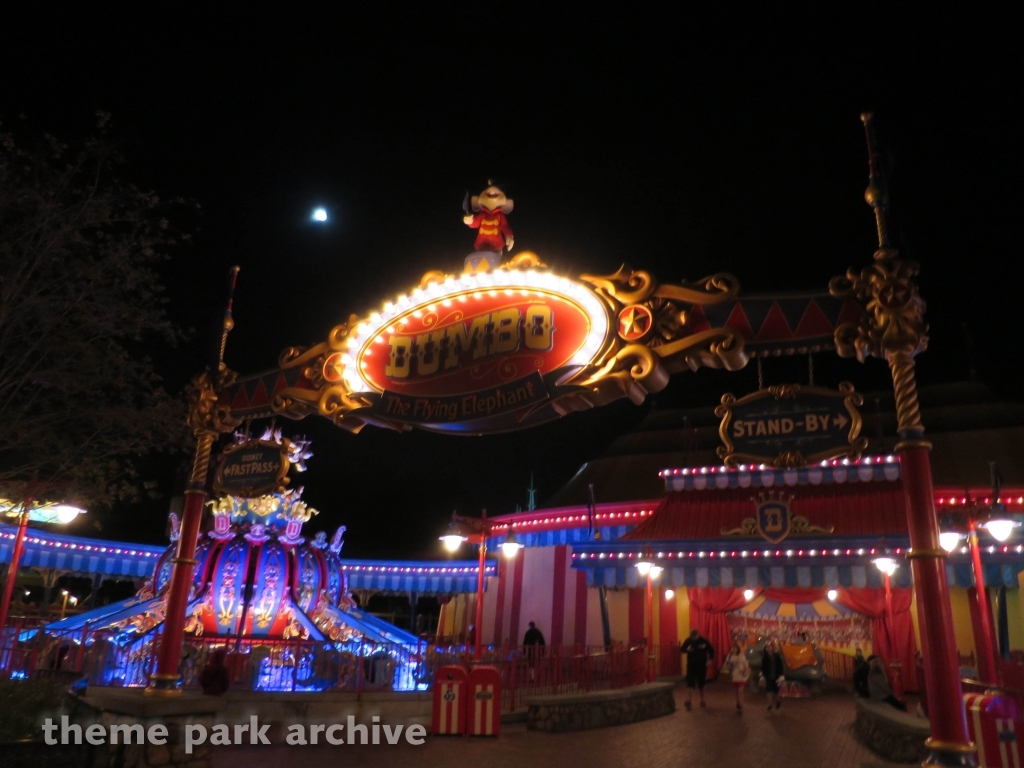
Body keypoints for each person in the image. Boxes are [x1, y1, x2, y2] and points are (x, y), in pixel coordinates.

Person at [680, 629, 715, 710]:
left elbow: (712, 651)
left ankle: (703, 700)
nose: (693, 640)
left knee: (701, 684)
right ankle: (688, 700)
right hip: (691, 665)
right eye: (692, 638)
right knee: (690, 683)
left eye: (694, 638)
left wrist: (710, 660)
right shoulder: (688, 640)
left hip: (702, 666)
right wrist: (687, 650)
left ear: (697, 635)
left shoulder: (704, 641)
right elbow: (682, 649)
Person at [725, 642, 751, 713]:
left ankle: (740, 704)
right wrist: (730, 665)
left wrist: (745, 670)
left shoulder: (742, 656)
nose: (734, 649)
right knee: (736, 691)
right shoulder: (730, 656)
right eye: (733, 648)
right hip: (734, 675)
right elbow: (726, 665)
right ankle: (738, 703)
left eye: (735, 648)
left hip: (741, 675)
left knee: (740, 691)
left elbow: (746, 664)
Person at [762, 639, 785, 712]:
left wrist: (781, 675)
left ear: (772, 647)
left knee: (776, 691)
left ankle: (778, 701)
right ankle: (770, 705)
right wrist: (763, 675)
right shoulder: (765, 657)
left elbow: (780, 665)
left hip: (776, 675)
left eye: (769, 647)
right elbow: (763, 667)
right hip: (768, 676)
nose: (768, 648)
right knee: (769, 691)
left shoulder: (776, 656)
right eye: (767, 647)